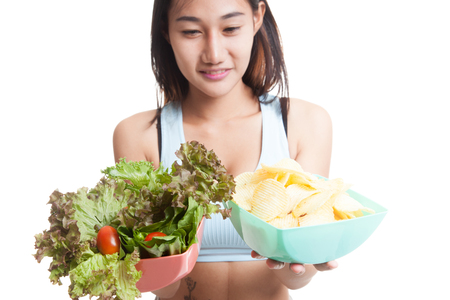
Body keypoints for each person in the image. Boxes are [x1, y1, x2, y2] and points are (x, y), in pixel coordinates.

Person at [113, 0, 337, 299]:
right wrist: (143, 263)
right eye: (191, 32)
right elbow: (164, 290)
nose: (214, 54)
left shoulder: (304, 123)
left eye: (230, 28)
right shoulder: (139, 135)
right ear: (166, 31)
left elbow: (297, 279)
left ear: (257, 17)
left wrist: (301, 258)